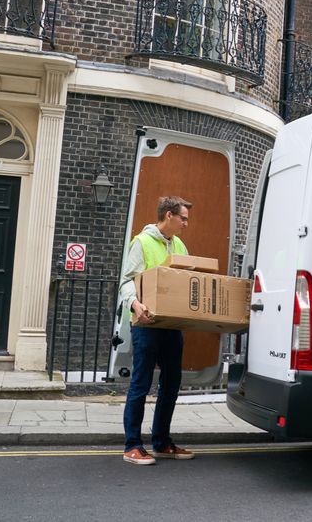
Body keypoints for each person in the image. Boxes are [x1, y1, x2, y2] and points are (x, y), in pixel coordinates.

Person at [120, 195, 196, 465]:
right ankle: (132, 445)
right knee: (140, 384)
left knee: (171, 385)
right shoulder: (142, 242)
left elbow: (186, 281)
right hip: (147, 325)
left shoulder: (179, 245)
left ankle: (162, 442)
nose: (186, 223)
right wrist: (135, 304)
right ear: (168, 216)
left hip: (172, 326)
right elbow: (127, 281)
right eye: (183, 218)